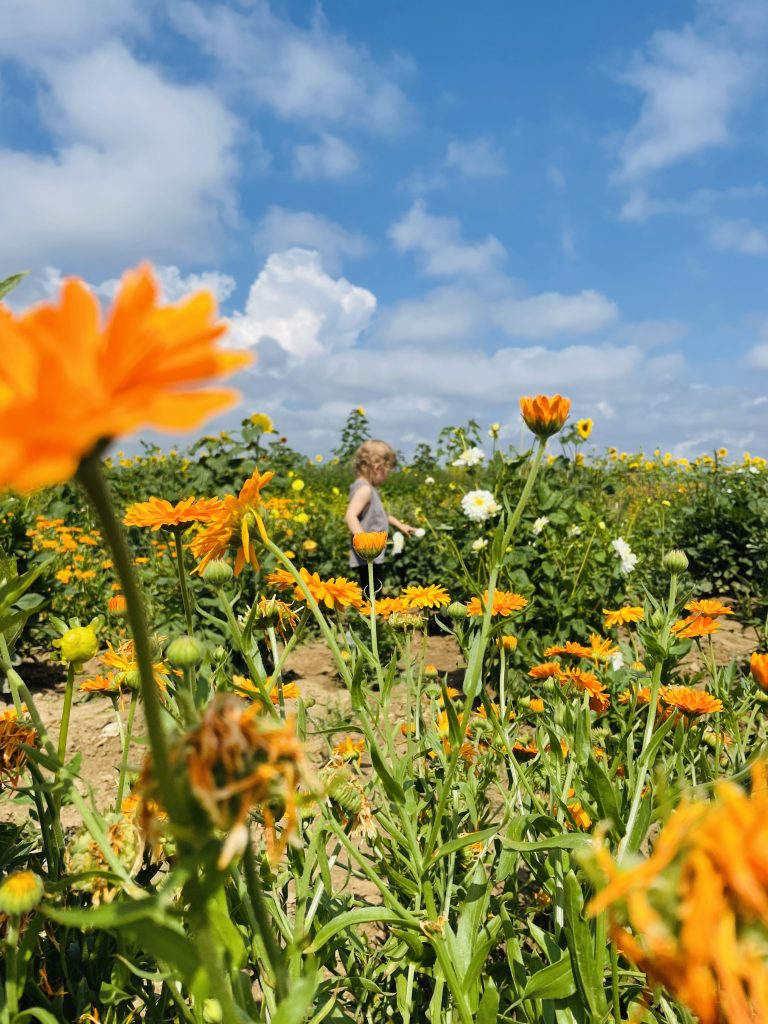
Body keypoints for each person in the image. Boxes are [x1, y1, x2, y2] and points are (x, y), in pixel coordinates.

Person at [345, 439, 413, 595]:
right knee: (373, 591)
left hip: (372, 551)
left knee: (372, 589)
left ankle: (370, 615)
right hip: (368, 552)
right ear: (377, 467)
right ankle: (369, 616)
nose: (387, 476)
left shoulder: (366, 488)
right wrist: (364, 541)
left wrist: (400, 526)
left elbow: (382, 515)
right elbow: (350, 515)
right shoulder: (365, 490)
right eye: (387, 471)